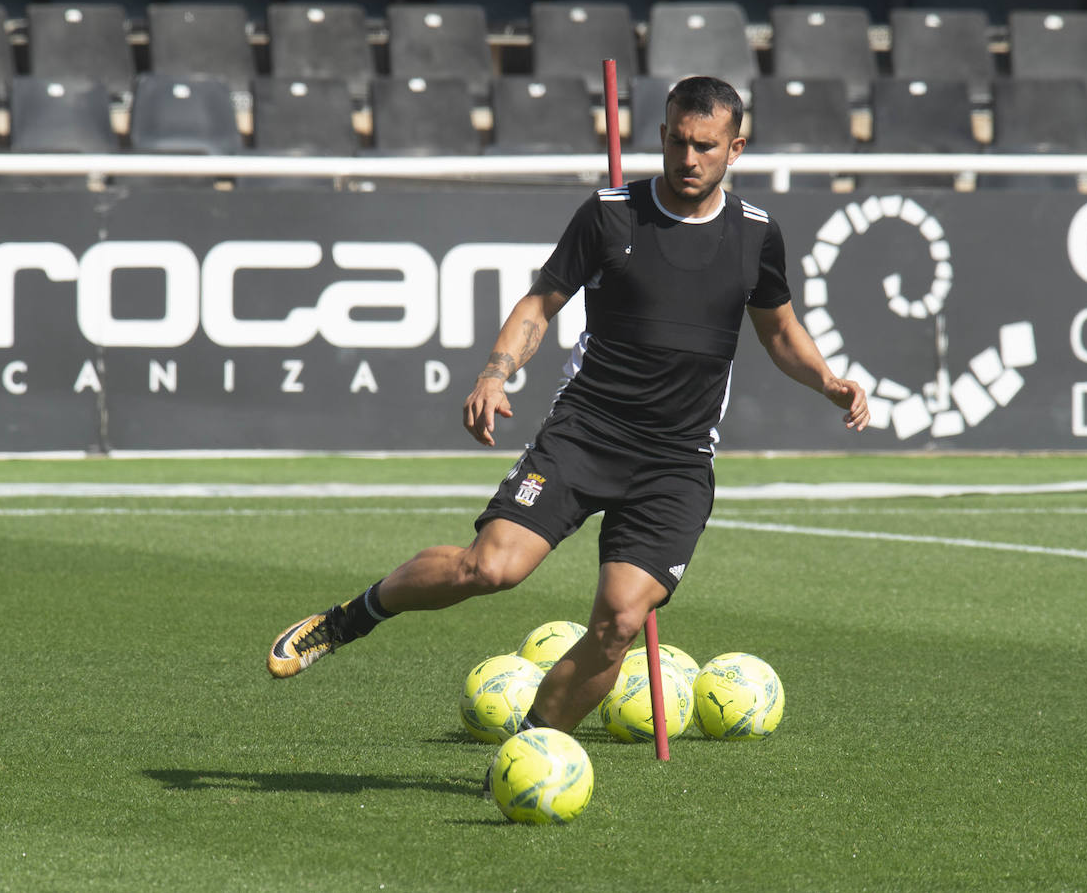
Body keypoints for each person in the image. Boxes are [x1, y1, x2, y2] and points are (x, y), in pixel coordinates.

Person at [267, 76, 869, 734]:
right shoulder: (611, 213)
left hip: (676, 460)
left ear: (736, 148)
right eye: (676, 141)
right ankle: (347, 618)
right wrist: (496, 374)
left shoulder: (757, 235)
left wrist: (827, 381)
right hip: (588, 433)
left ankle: (534, 745)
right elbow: (541, 303)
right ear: (663, 135)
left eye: (704, 146)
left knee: (617, 622)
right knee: (490, 566)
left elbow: (779, 331)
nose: (687, 159)